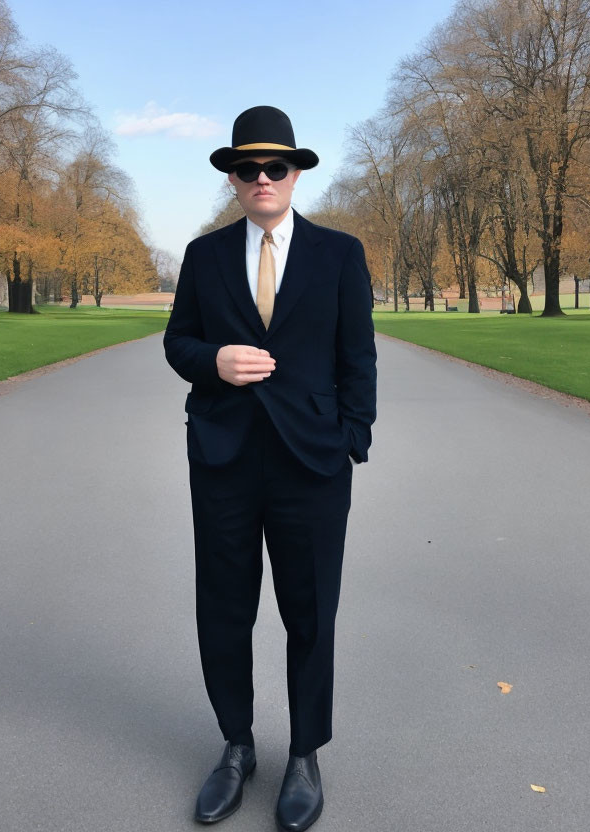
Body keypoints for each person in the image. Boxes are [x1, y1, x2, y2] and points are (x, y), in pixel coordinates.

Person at [164, 106, 377, 830]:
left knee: (310, 613)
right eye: (247, 168)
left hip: (312, 462)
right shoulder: (203, 257)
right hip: (223, 458)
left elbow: (358, 357)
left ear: (294, 174)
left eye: (274, 167)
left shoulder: (340, 254)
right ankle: (236, 747)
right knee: (224, 608)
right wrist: (214, 362)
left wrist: (353, 436)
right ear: (232, 178)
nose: (261, 178)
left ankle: (305, 755)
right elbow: (178, 344)